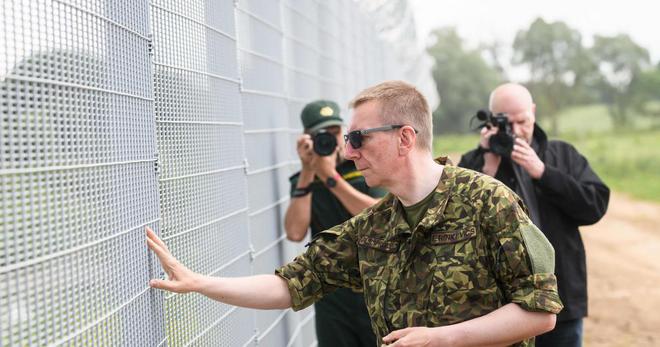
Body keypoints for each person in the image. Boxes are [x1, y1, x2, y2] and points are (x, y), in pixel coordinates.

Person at [146, 80, 563, 347]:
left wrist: (444, 339)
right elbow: (289, 285)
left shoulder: (488, 201)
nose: (348, 152)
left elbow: (539, 311)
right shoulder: (372, 227)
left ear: (404, 138)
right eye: (347, 140)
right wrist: (200, 283)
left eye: (359, 138)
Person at [459, 83, 610, 347]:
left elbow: (594, 207)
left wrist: (543, 172)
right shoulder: (473, 164)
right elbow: (458, 223)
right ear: (492, 120)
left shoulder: (562, 154)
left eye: (522, 121)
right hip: (495, 310)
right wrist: (487, 170)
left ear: (534, 112)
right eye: (508, 123)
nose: (516, 132)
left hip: (560, 303)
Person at [284, 100, 385, 347]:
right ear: (307, 138)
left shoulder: (365, 168)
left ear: (345, 133)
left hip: (376, 285)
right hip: (332, 294)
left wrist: (330, 177)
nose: (330, 141)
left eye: (335, 133)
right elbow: (295, 232)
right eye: (321, 135)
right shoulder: (304, 179)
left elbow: (381, 216)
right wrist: (309, 170)